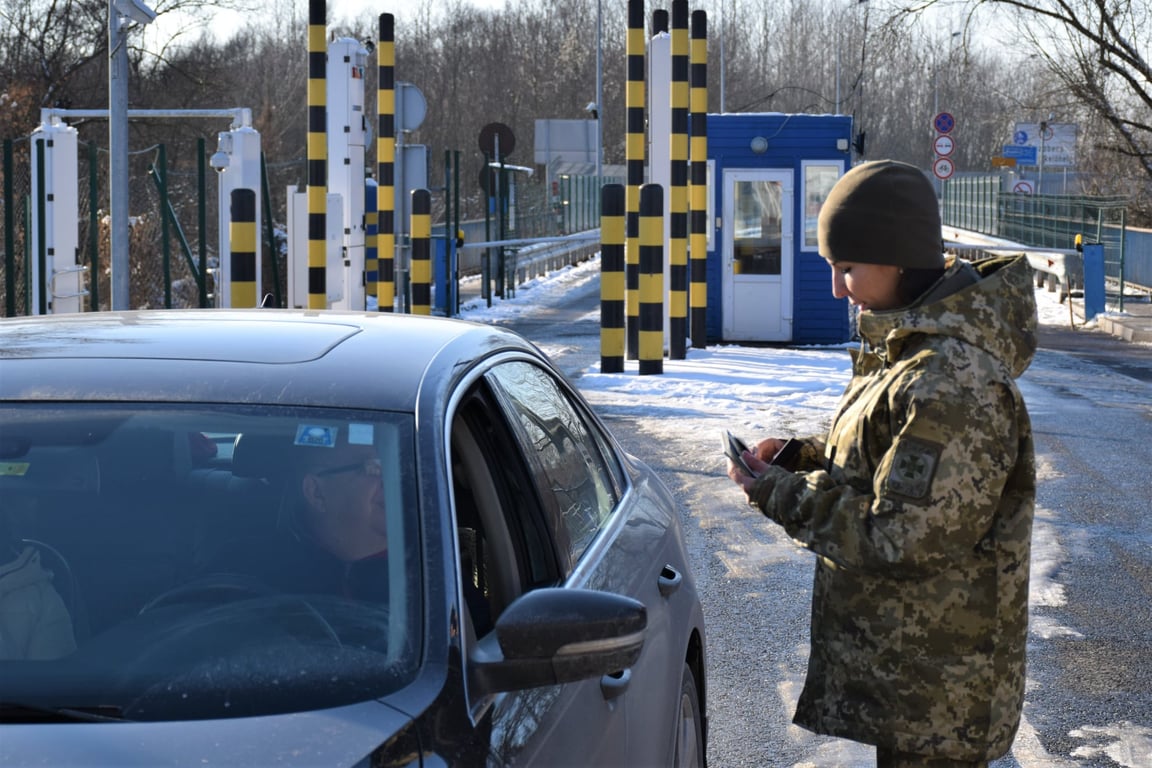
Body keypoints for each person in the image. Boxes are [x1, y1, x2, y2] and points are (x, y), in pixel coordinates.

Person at [727, 160, 1037, 767]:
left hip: (942, 699)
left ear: (897, 258)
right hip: (917, 684)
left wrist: (782, 495)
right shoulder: (912, 352)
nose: (837, 289)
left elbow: (901, 535)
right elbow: (885, 461)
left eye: (846, 268)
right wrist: (795, 458)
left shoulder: (950, 379)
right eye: (831, 268)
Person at [208, 431, 391, 602]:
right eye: (372, 468)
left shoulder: (416, 560)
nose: (393, 479)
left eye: (392, 465)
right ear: (316, 492)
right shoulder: (246, 568)